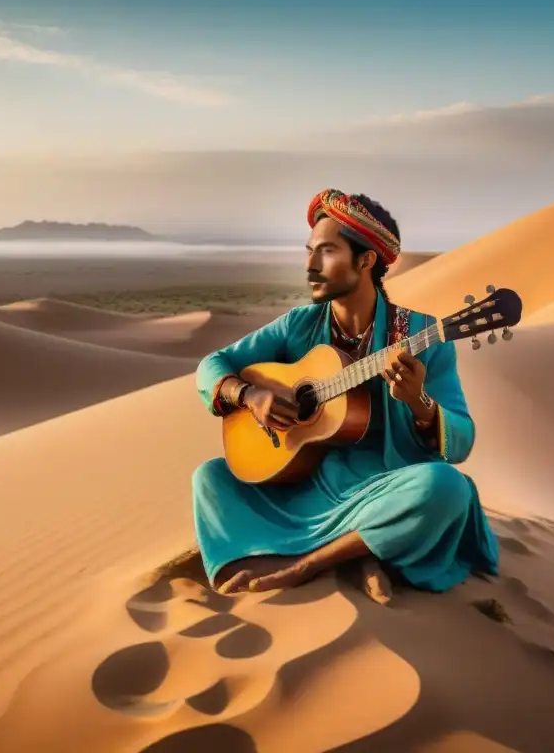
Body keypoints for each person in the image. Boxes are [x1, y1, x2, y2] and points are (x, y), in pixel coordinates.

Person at [192, 188, 499, 601]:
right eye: (309, 252)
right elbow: (212, 366)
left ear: (366, 260)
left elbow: (462, 439)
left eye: (327, 252)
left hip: (385, 488)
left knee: (446, 487)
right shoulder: (298, 326)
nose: (311, 266)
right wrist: (249, 396)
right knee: (209, 478)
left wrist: (418, 402)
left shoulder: (424, 337)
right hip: (305, 487)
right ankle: (363, 551)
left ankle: (305, 565)